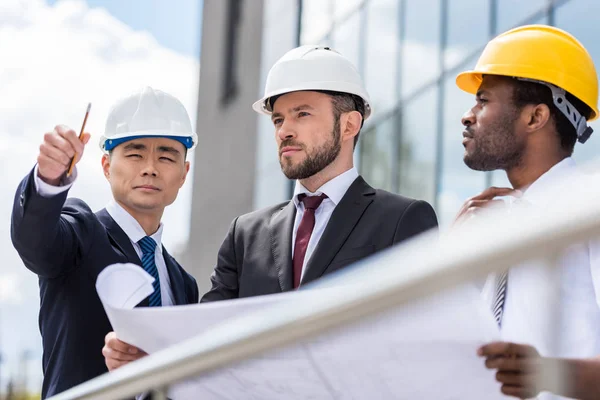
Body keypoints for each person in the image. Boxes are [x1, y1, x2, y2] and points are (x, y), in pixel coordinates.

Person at [103, 45, 439, 371]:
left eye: (302, 114)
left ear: (349, 125)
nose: (284, 131)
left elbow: (423, 345)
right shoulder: (246, 235)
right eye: (278, 120)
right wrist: (148, 353)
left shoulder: (402, 220)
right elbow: (203, 338)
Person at [11, 87, 200, 398]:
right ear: (106, 166)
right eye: (135, 153)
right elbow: (35, 243)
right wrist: (47, 182)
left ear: (184, 173)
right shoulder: (81, 233)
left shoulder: (183, 284)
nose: (150, 167)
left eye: (166, 155)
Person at [453, 24, 600, 399]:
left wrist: (550, 374)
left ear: (535, 118)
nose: (467, 116)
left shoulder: (589, 208)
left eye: (483, 100)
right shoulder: (492, 222)